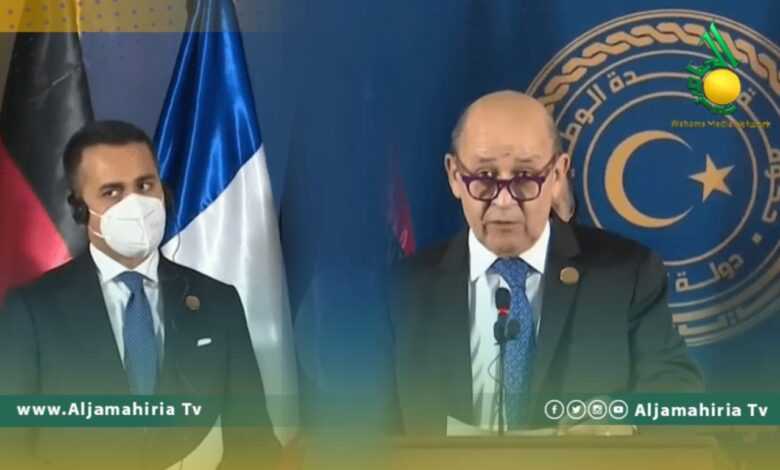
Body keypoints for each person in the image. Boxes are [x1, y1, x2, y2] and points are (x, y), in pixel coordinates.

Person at [390, 91, 703, 436]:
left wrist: (621, 426)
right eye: (485, 177)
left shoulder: (627, 274)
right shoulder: (402, 291)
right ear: (454, 176)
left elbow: (677, 398)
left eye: (525, 177)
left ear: (557, 175)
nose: (504, 201)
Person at [0, 120, 279, 469]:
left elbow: (254, 442)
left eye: (145, 186)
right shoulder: (32, 310)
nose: (135, 204)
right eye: (112, 192)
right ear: (80, 209)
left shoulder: (218, 301)